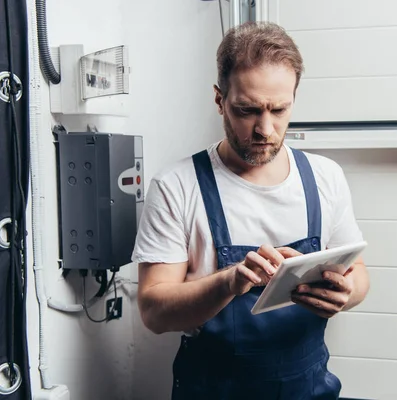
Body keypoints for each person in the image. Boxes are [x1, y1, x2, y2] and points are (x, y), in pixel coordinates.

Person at [132, 21, 370, 399]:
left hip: (307, 386)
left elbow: (357, 272)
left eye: (279, 109)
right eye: (247, 110)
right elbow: (154, 312)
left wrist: (348, 292)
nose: (266, 129)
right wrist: (230, 282)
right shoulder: (177, 186)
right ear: (219, 100)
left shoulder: (325, 177)